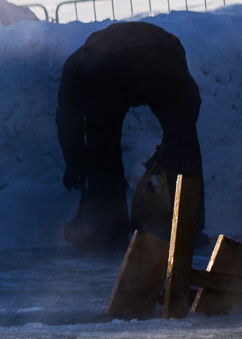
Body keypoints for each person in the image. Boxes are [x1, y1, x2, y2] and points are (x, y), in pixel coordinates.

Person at [57, 22, 203, 248]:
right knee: (185, 146)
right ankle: (188, 228)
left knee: (103, 153)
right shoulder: (87, 58)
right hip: (165, 55)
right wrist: (176, 138)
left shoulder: (77, 63)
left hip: (108, 70)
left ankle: (109, 231)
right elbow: (191, 99)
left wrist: (75, 163)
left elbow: (68, 119)